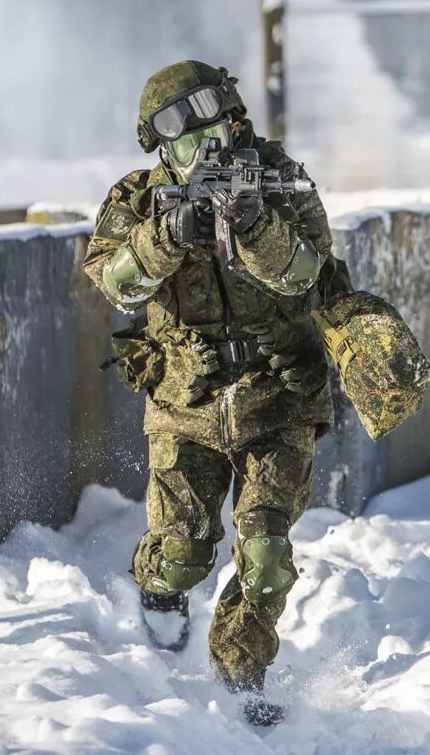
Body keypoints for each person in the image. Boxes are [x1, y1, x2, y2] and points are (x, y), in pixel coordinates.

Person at [83, 60, 351, 725]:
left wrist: (253, 223)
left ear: (233, 115)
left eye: (210, 115)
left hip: (277, 393)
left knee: (264, 555)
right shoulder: (139, 199)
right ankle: (157, 586)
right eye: (179, 126)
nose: (201, 137)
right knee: (181, 556)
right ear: (156, 142)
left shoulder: (278, 179)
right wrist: (168, 236)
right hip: (186, 403)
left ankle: (241, 678)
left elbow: (305, 274)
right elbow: (116, 282)